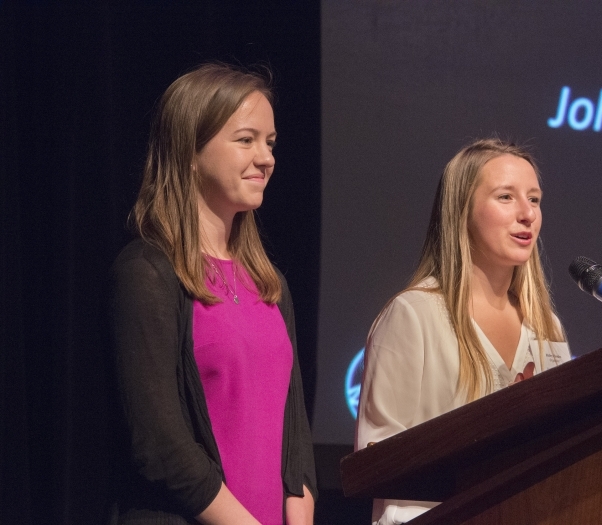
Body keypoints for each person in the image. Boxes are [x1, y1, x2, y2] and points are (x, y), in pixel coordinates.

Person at [109, 63, 316, 525]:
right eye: (246, 140)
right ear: (189, 151)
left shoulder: (270, 284)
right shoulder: (147, 273)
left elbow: (295, 437)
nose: (266, 158)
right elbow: (160, 446)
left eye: (270, 142)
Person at [355, 138, 571, 525]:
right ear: (461, 211)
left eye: (534, 199)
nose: (527, 214)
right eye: (506, 197)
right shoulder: (414, 314)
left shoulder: (547, 328)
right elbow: (379, 461)